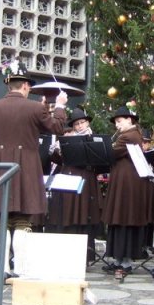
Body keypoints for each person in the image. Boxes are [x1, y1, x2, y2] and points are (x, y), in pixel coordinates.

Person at [0, 61, 68, 279]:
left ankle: (3, 267)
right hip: (26, 168)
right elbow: (57, 127)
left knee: (1, 219)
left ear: (10, 86)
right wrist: (60, 105)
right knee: (23, 220)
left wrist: (2, 148)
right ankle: (18, 267)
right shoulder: (36, 108)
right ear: (26, 86)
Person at [101, 106, 154, 274]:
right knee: (121, 219)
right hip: (125, 181)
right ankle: (120, 260)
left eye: (119, 121)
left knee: (123, 217)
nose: (117, 125)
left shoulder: (129, 136)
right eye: (116, 122)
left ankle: (124, 262)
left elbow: (112, 153)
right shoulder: (130, 135)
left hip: (127, 184)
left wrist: (102, 147)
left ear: (129, 120)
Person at [44, 108, 102, 263]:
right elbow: (59, 161)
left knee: (84, 215)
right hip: (68, 178)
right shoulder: (69, 138)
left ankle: (84, 256)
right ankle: (65, 254)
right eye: (76, 124)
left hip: (86, 178)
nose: (80, 126)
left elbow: (101, 161)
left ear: (87, 122)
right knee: (67, 215)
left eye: (82, 122)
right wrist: (56, 151)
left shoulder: (94, 138)